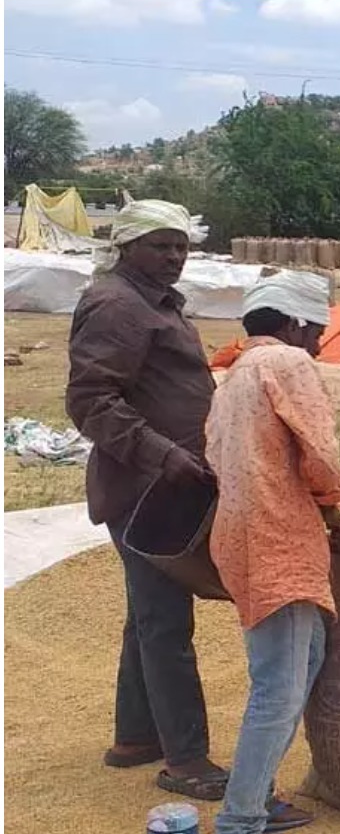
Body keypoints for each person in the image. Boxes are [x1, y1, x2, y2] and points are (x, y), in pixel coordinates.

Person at [205, 270, 340, 834]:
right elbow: (319, 456)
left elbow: (218, 456)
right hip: (279, 537)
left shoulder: (233, 375)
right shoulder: (289, 366)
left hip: (244, 534)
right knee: (276, 689)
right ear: (296, 324)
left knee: (305, 659)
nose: (322, 344)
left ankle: (260, 794)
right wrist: (336, 511)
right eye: (319, 330)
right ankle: (240, 829)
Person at [65, 199, 228, 801]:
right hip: (145, 487)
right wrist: (163, 452)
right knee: (165, 622)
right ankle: (186, 761)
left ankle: (135, 737)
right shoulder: (117, 306)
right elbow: (90, 401)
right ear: (127, 246)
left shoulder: (149, 301)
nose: (175, 256)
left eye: (181, 246)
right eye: (161, 245)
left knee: (151, 613)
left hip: (166, 482)